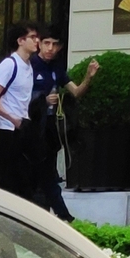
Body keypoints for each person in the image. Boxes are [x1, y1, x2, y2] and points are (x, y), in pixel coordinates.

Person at [27, 28, 79, 219]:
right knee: (40, 174)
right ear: (39, 43)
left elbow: (76, 91)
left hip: (49, 128)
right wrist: (43, 100)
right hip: (31, 126)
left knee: (47, 172)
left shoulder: (57, 68)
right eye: (47, 43)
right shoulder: (30, 65)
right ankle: (61, 216)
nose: (50, 48)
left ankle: (59, 215)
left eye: (55, 44)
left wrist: (89, 77)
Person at [0, 23, 41, 201]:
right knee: (7, 179)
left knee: (24, 177)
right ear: (20, 41)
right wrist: (12, 119)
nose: (37, 41)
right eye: (32, 37)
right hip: (6, 130)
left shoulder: (29, 66)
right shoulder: (10, 65)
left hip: (21, 127)